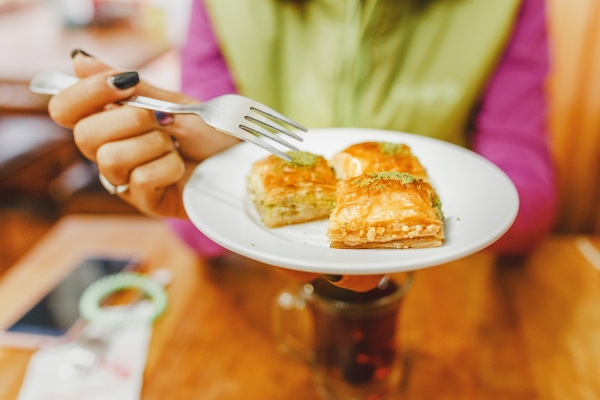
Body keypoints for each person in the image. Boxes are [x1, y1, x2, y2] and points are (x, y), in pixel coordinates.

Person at [48, 0, 557, 292]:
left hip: (439, 294)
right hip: (262, 296)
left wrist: (455, 212)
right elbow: (201, 212)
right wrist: (190, 190)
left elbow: (527, 190)